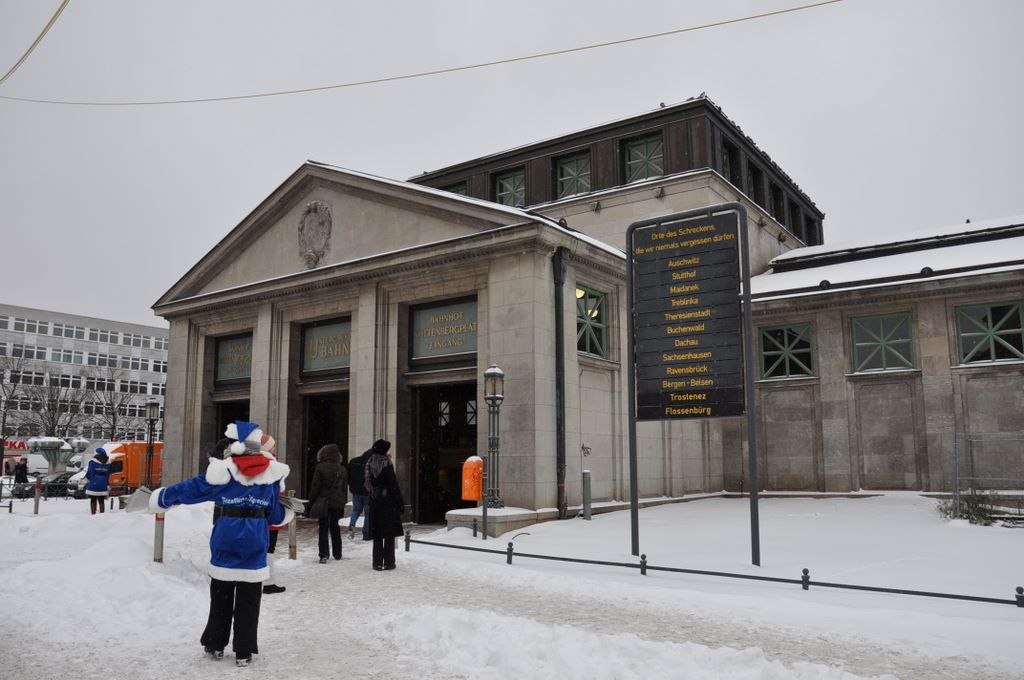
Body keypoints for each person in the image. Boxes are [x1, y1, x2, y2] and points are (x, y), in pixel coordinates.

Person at [147, 420, 292, 667]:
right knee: (249, 597)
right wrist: (287, 511)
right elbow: (276, 515)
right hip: (255, 537)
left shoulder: (224, 471)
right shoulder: (271, 475)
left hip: (226, 534)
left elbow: (192, 489)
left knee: (222, 593)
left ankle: (214, 643)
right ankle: (244, 650)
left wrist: (164, 497)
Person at [364, 439, 404, 571]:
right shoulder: (386, 463)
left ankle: (376, 563)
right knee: (389, 534)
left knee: (377, 534)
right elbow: (393, 485)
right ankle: (389, 562)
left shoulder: (369, 463)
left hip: (375, 500)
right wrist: (400, 503)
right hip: (388, 502)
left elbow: (366, 483)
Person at [308, 443, 348, 563]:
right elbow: (344, 488)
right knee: (335, 526)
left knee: (323, 527)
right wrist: (342, 502)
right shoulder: (342, 469)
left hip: (323, 501)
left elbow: (315, 487)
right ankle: (338, 553)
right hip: (337, 502)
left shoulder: (320, 468)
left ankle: (324, 554)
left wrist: (311, 502)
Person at [259, 433, 286, 595]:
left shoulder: (263, 462)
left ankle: (263, 580)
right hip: (271, 513)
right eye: (272, 445)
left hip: (264, 512)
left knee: (265, 548)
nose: (275, 448)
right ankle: (267, 582)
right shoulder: (270, 464)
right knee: (268, 548)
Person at [346, 446, 372, 541]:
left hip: (356, 491)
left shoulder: (354, 461)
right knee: (368, 513)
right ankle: (366, 534)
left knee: (356, 510)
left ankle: (352, 525)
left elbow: (348, 476)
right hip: (368, 492)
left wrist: (352, 486)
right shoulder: (372, 463)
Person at [84, 448, 111, 515]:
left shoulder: (93, 462)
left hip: (95, 481)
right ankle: (102, 514)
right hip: (103, 482)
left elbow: (90, 472)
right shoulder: (107, 462)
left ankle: (93, 514)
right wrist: (106, 482)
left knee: (93, 499)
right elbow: (108, 474)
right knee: (101, 499)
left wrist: (89, 478)